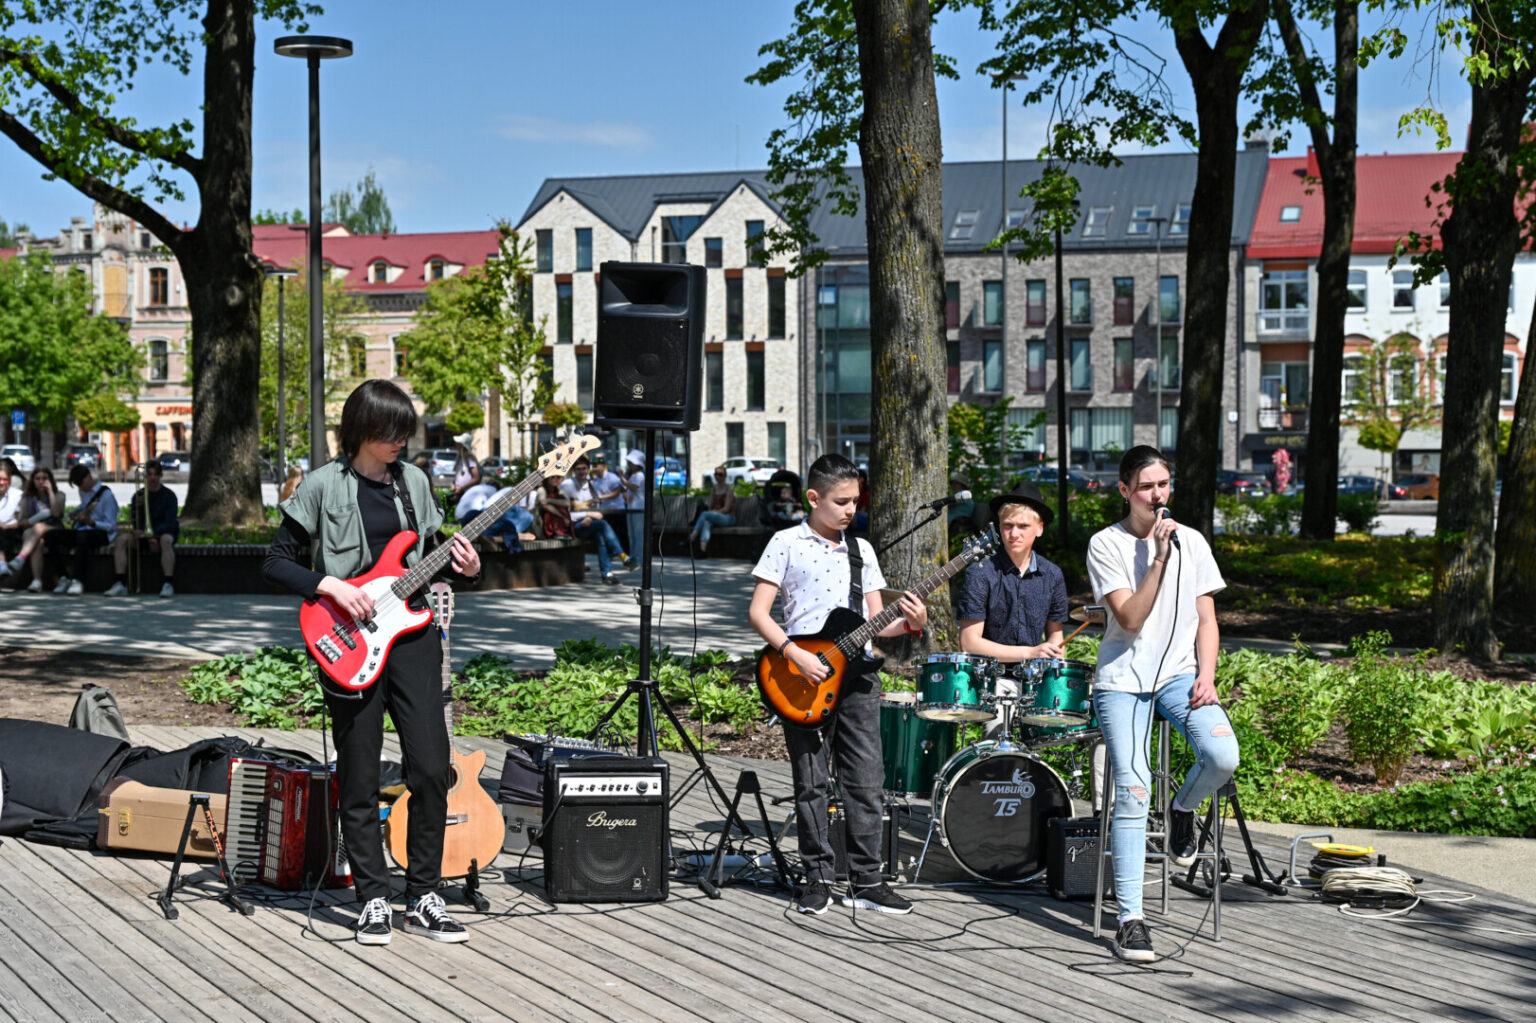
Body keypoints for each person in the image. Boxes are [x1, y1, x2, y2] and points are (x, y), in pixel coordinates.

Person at [262, 379, 481, 946]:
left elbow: (433, 561)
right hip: (347, 640)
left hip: (412, 637)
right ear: (361, 430)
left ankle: (424, 894)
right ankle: (373, 898)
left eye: (405, 433)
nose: (400, 444)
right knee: (358, 775)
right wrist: (330, 585)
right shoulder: (320, 486)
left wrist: (467, 566)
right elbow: (275, 563)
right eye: (390, 434)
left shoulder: (413, 483)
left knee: (431, 767)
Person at [748, 453, 927, 917]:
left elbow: (872, 620)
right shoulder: (785, 543)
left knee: (866, 781)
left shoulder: (860, 550)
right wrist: (794, 653)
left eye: (855, 501)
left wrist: (910, 624)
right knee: (811, 783)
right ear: (814, 498)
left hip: (859, 676)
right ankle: (818, 877)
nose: (851, 510)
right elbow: (758, 613)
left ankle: (867, 880)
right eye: (841, 502)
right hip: (801, 675)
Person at [1086, 445, 1239, 963]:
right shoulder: (1105, 544)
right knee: (1132, 790)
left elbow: (1207, 617)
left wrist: (1208, 675)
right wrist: (1156, 561)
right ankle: (1131, 918)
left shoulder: (1192, 541)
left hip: (1179, 677)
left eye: (1164, 485)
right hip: (1123, 681)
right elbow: (1129, 619)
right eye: (1147, 487)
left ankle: (1182, 808)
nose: (1157, 496)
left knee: (1223, 756)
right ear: (1126, 490)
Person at [956, 481, 1069, 741]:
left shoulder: (1052, 575)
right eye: (1008, 526)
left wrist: (1053, 651)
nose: (1014, 533)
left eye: (1023, 526)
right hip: (993, 679)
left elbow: (1056, 634)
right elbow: (969, 642)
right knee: (998, 733)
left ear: (1039, 529)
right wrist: (1030, 652)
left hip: (1037, 680)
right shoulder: (980, 572)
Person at [107, 461, 180, 597]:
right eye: (150, 474)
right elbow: (136, 518)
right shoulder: (138, 496)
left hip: (162, 534)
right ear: (146, 476)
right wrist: (139, 531)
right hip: (144, 537)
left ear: (160, 476)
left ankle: (168, 583)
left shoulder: (169, 496)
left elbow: (170, 521)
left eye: (155, 475)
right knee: (121, 540)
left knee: (166, 540)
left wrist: (153, 534)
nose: (152, 478)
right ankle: (120, 582)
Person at [44, 464, 119, 595]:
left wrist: (92, 522)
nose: (81, 488)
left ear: (89, 477)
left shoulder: (107, 496)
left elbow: (111, 526)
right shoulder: (82, 491)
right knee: (51, 535)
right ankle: (63, 577)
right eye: (77, 485)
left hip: (102, 534)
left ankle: (78, 580)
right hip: (84, 531)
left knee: (83, 537)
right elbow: (85, 506)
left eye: (81, 483)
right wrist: (76, 513)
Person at [559, 456, 632, 583]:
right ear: (574, 470)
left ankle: (607, 574)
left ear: (588, 469)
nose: (582, 472)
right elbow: (563, 512)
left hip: (588, 524)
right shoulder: (567, 485)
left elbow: (596, 508)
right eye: (578, 469)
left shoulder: (592, 486)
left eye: (584, 469)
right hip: (570, 526)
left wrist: (588, 516)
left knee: (600, 534)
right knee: (602, 525)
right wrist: (586, 515)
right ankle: (621, 556)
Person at [9, 467, 65, 592]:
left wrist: (50, 492)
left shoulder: (59, 495)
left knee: (38, 527)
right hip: (34, 533)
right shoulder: (27, 497)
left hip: (55, 530)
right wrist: (35, 518)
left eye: (45, 478)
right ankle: (37, 581)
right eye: (38, 479)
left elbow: (56, 514)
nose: (41, 481)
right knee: (38, 542)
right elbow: (22, 522)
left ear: (50, 480)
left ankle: (21, 557)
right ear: (33, 481)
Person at [454, 480, 535, 553]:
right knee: (508, 525)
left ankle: (480, 535)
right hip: (482, 514)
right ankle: (489, 536)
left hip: (466, 516)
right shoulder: (500, 490)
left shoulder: (482, 488)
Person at [690, 466, 736, 555]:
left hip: (728, 518)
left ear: (725, 476)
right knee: (707, 523)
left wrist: (713, 512)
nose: (717, 476)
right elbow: (709, 507)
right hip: (715, 517)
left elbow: (726, 509)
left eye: (720, 474)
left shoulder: (729, 490)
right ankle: (703, 550)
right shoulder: (714, 489)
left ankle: (691, 538)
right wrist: (712, 512)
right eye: (716, 474)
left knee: (705, 514)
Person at [587, 453, 629, 551]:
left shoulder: (612, 477)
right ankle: (612, 552)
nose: (595, 469)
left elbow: (616, 493)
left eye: (596, 466)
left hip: (617, 511)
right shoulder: (596, 480)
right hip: (604, 511)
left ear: (603, 466)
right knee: (606, 534)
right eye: (593, 466)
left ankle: (623, 552)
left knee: (619, 533)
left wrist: (600, 497)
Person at [621, 449, 648, 562]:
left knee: (638, 534)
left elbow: (634, 487)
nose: (629, 465)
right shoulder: (633, 475)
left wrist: (622, 479)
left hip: (639, 508)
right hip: (632, 507)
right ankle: (634, 556)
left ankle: (639, 558)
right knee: (631, 534)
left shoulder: (639, 475)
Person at [536, 473, 574, 538]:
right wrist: (562, 516)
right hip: (542, 520)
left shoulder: (559, 490)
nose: (556, 479)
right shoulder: (541, 490)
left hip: (559, 517)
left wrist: (549, 500)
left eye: (558, 477)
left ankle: (563, 532)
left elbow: (567, 503)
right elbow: (545, 506)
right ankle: (556, 533)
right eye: (552, 477)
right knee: (550, 513)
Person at [0, 465, 21, 579]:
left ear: (9, 481)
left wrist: (7, 526)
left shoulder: (17, 495)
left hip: (13, 530)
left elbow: (22, 520)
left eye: (5, 479)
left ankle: (2, 564)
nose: (2, 483)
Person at [449, 432, 480, 503]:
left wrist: (462, 488)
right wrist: (454, 484)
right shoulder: (460, 457)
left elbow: (476, 478)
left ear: (462, 445)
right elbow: (458, 475)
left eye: (458, 443)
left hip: (466, 494)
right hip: (459, 492)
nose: (456, 444)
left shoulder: (469, 458)